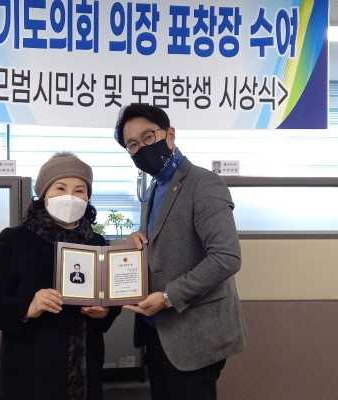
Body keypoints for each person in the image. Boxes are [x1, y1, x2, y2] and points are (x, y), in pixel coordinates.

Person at [114, 104, 246, 400]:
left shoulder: (204, 183)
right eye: (132, 145)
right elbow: (164, 245)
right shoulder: (153, 189)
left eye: (148, 137)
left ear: (170, 134)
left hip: (194, 334)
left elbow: (226, 257)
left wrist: (168, 296)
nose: (141, 148)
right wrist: (138, 241)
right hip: (156, 331)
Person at [0, 151, 121, 400]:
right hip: (30, 372)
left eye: (79, 190)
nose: (70, 197)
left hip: (85, 370)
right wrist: (28, 307)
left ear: (88, 197)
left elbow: (110, 301)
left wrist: (105, 312)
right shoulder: (17, 239)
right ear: (44, 194)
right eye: (60, 188)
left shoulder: (96, 243)